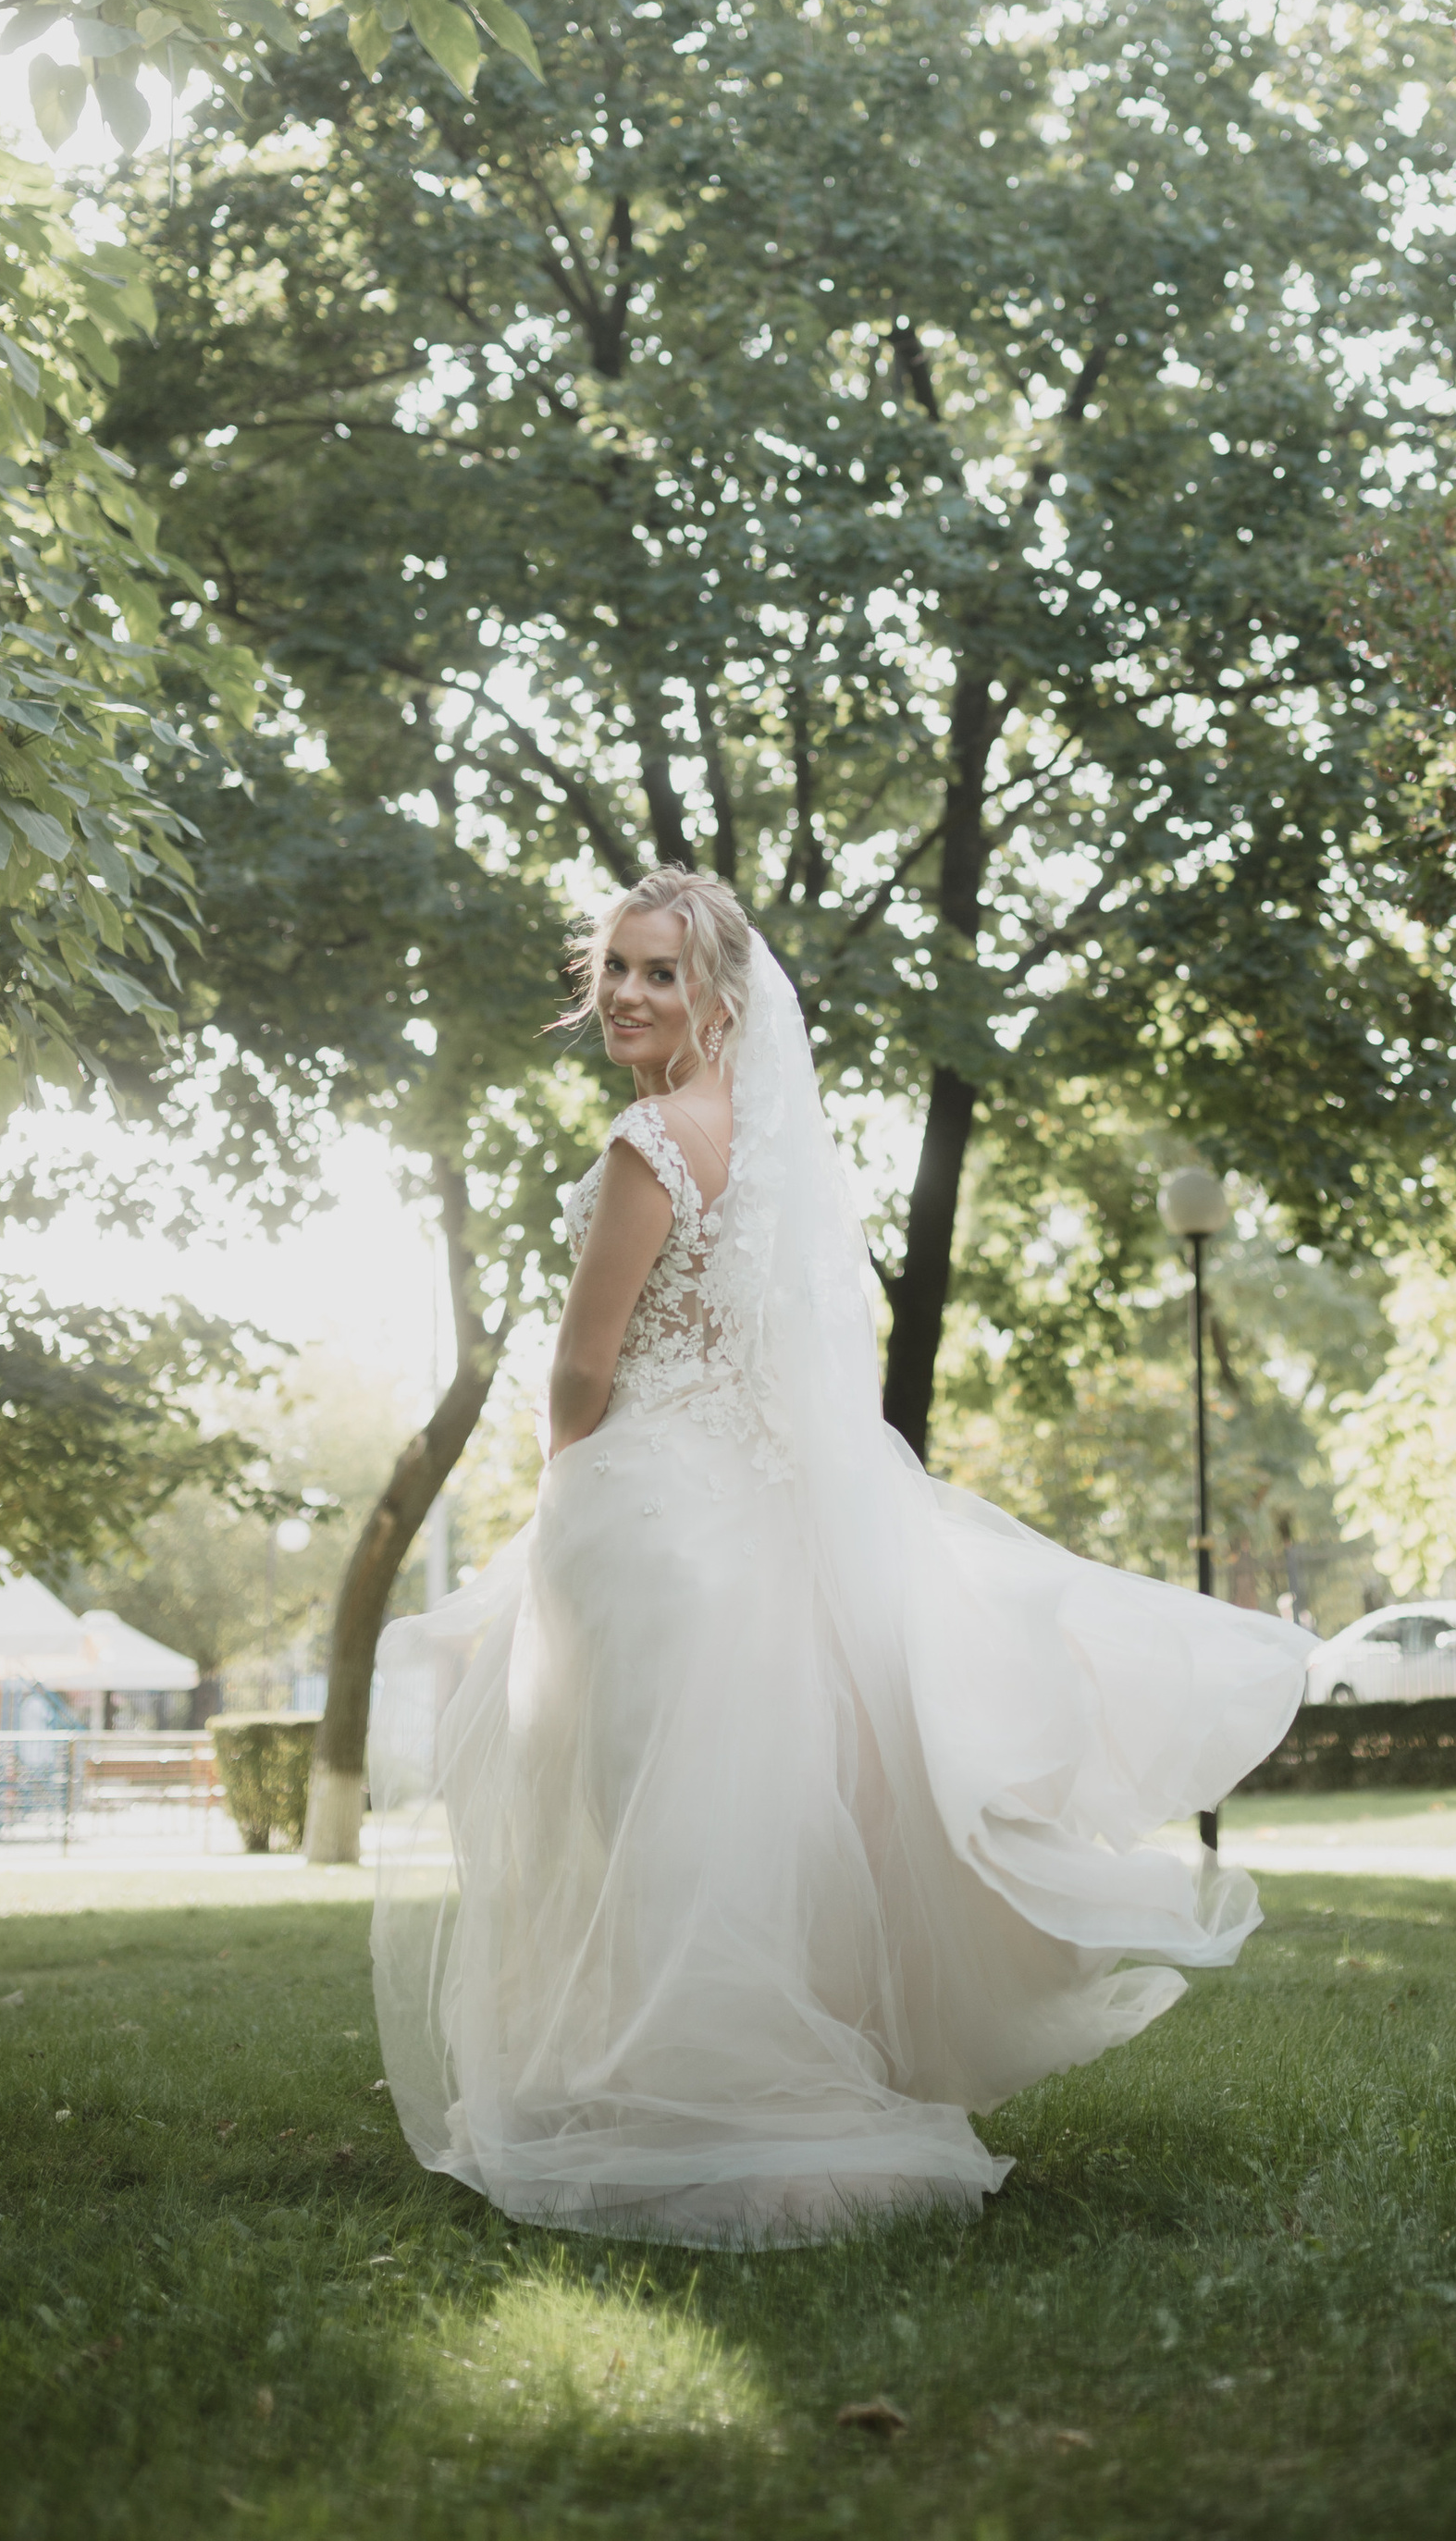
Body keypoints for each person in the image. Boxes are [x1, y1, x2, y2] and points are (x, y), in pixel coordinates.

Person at [372, 869, 1308, 2250]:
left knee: (636, 1816)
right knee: (751, 1814)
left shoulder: (648, 1147)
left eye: (661, 973)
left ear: (719, 996)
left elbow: (581, 1369)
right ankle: (757, 2070)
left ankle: (684, 2096)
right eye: (618, 968)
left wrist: (564, 1493)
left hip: (644, 1512)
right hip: (761, 1512)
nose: (630, 994)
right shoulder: (772, 1148)